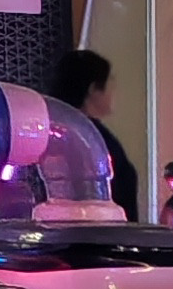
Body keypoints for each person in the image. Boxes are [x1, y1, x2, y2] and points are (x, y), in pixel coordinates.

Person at [47, 47, 139, 219]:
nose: (113, 92)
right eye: (110, 83)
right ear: (93, 88)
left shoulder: (50, 132)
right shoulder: (92, 140)